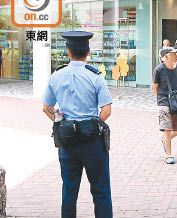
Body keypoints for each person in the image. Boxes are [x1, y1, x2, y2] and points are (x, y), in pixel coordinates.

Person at [42, 31, 113, 217]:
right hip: (93, 142)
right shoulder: (95, 77)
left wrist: (62, 122)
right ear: (88, 52)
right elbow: (106, 110)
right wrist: (91, 123)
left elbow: (47, 107)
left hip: (67, 142)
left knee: (69, 190)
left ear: (68, 51)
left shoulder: (56, 76)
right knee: (101, 190)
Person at [153, 47, 177, 164]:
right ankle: (169, 154)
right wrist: (160, 101)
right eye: (172, 54)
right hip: (163, 101)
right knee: (167, 129)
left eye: (175, 54)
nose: (175, 56)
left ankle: (165, 140)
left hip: (176, 101)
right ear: (165, 57)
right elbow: (155, 87)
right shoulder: (159, 70)